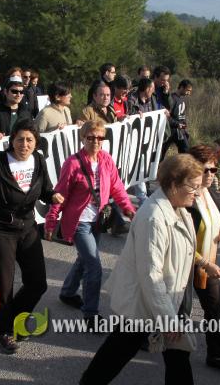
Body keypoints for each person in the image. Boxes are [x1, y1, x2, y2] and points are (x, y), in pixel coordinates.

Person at [79, 154, 203, 385]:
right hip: (145, 303)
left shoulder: (179, 208)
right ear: (173, 184)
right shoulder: (154, 218)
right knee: (117, 353)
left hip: (166, 301)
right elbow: (151, 275)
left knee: (176, 357)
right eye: (193, 187)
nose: (198, 193)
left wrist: (202, 263)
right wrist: (168, 318)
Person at [0, 119, 64, 354]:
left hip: (28, 228)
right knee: (4, 287)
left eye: (29, 140)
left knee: (38, 283)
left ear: (36, 142)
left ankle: (14, 317)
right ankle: (2, 331)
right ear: (12, 140)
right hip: (1, 231)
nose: (25, 144)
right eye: (20, 139)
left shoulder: (38, 160)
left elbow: (45, 189)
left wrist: (53, 196)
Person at [45, 119, 135, 329]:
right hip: (79, 222)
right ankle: (91, 314)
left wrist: (129, 209)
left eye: (100, 137)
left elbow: (117, 187)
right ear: (82, 138)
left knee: (84, 259)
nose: (96, 141)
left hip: (97, 221)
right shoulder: (73, 163)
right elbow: (60, 194)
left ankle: (68, 292)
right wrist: (51, 221)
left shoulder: (106, 159)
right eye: (91, 137)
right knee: (94, 266)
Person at [186, 145, 220, 377]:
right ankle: (138, 336)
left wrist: (219, 234)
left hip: (206, 264)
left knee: (215, 309)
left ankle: (217, 356)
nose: (210, 175)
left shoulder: (212, 195)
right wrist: (204, 263)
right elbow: (183, 241)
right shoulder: (186, 198)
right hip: (184, 263)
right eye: (205, 170)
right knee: (168, 307)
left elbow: (208, 226)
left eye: (214, 170)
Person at [162, 79, 193, 159]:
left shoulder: (182, 99)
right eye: (188, 90)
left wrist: (184, 126)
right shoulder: (172, 98)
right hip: (170, 131)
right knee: (161, 153)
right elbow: (167, 116)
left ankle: (181, 166)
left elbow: (181, 115)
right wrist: (176, 124)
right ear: (182, 87)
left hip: (180, 131)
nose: (189, 93)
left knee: (185, 151)